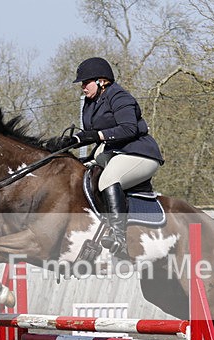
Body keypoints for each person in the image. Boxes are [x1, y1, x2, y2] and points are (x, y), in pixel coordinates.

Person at [54, 57, 164, 257]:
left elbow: (129, 128)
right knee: (77, 171)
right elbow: (93, 134)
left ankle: (118, 237)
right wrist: (72, 142)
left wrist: (95, 136)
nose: (82, 88)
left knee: (108, 179)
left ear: (101, 81)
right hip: (112, 152)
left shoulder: (120, 97)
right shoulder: (90, 103)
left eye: (85, 83)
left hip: (139, 153)